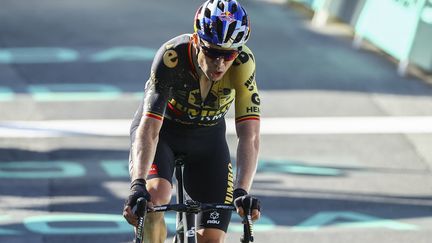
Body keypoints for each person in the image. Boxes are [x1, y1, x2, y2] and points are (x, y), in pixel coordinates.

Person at [123, 0, 261, 242]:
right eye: (212, 52)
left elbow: (249, 135)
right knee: (155, 198)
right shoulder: (172, 56)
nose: (220, 63)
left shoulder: (243, 64)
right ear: (197, 42)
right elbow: (150, 129)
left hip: (207, 140)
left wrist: (242, 191)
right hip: (164, 133)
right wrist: (138, 185)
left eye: (228, 54)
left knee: (211, 238)